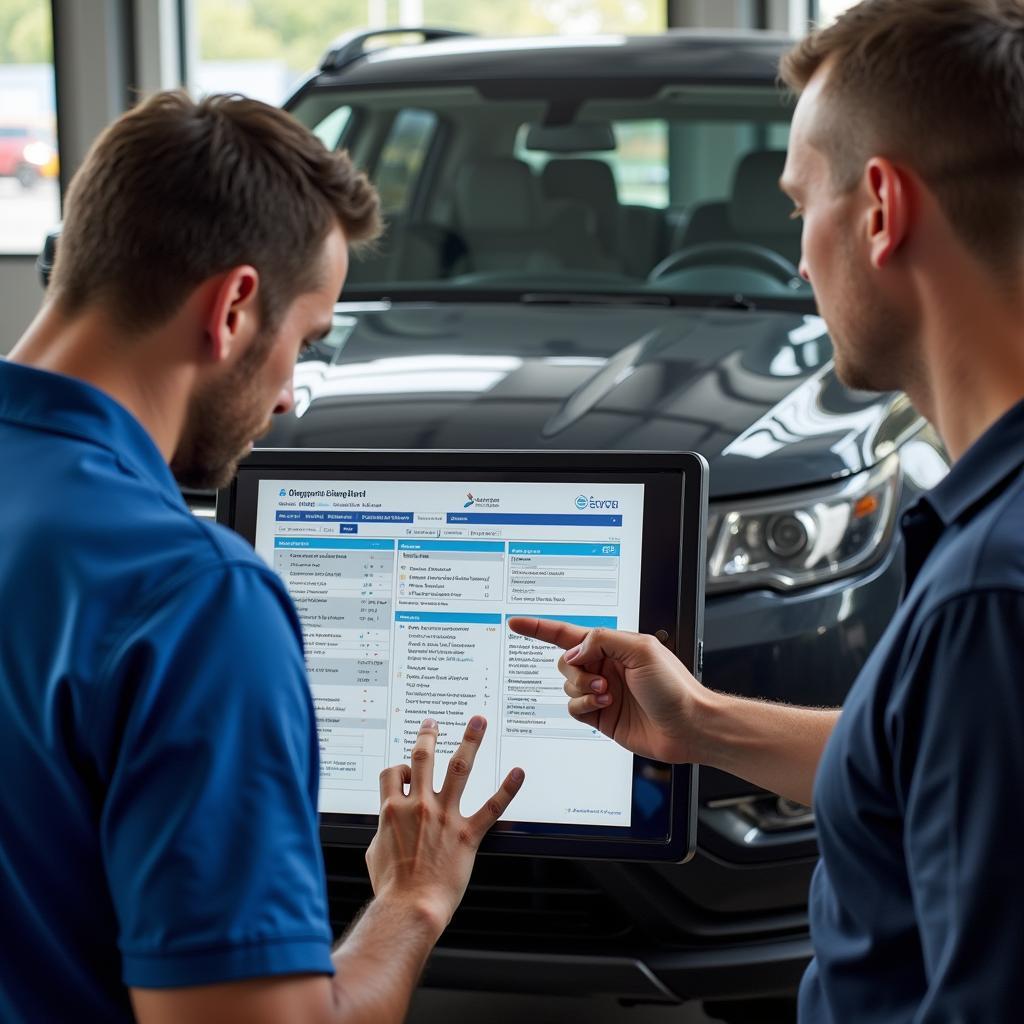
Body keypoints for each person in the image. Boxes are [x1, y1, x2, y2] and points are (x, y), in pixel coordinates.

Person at [512, 0, 1024, 1019]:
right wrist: (699, 721)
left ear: (879, 210)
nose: (796, 260)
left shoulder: (990, 594)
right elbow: (929, 764)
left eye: (799, 207)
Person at [0, 90, 522, 1024]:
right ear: (235, 307)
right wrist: (411, 900)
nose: (287, 397)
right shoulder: (192, 597)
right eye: (306, 341)